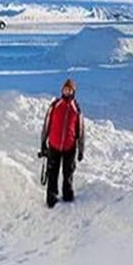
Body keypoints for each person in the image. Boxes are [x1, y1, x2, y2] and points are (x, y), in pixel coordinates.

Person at [39, 78, 85, 208]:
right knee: (52, 173)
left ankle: (67, 195)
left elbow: (80, 131)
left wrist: (81, 150)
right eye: (65, 89)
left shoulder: (76, 109)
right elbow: (46, 125)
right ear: (62, 90)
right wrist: (43, 143)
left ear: (73, 91)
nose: (67, 91)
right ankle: (51, 198)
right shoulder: (55, 105)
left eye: (70, 89)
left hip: (69, 147)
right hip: (54, 145)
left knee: (68, 173)